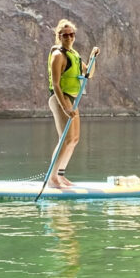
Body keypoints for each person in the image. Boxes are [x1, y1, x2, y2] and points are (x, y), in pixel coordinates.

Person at [47, 19, 100, 188]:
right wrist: (65, 106)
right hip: (61, 99)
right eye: (65, 35)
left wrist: (92, 58)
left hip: (73, 100)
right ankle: (52, 178)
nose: (69, 38)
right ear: (59, 36)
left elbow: (89, 74)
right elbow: (55, 84)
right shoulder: (58, 55)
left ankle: (60, 175)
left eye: (72, 35)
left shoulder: (74, 55)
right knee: (65, 139)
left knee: (74, 139)